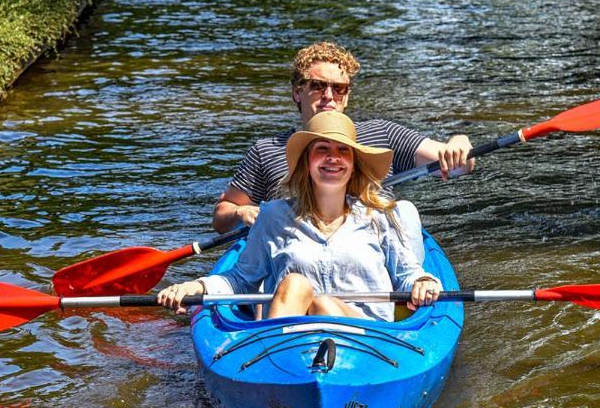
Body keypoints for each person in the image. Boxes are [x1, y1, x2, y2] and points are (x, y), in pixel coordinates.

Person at [157, 111, 441, 321]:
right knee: (295, 284)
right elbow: (240, 280)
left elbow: (408, 274)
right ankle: (277, 376)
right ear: (307, 163)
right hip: (293, 345)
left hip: (367, 345)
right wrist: (197, 285)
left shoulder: (379, 216)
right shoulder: (273, 217)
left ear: (354, 165)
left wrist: (423, 283)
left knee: (324, 306)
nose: (333, 158)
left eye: (343, 151)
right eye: (322, 150)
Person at [211, 41, 474, 234]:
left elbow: (461, 165)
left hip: (373, 249)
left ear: (346, 95)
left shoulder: (383, 134)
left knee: (405, 212)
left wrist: (459, 143)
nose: (328, 95)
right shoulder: (266, 151)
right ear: (297, 92)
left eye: (338, 88)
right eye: (317, 85)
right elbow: (222, 218)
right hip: (292, 248)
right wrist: (239, 212)